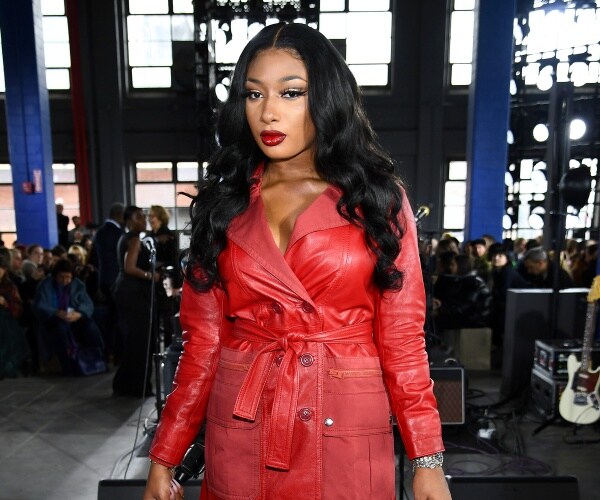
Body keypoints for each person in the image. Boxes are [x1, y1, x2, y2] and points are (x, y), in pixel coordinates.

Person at [144, 23, 450, 500]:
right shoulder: (223, 205)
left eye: (291, 93)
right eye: (253, 94)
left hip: (344, 425)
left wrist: (426, 459)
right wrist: (165, 455)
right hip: (244, 419)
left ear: (326, 97)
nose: (268, 111)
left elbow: (403, 341)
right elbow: (201, 346)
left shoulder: (377, 200)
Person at [112, 205, 160, 397]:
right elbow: (130, 267)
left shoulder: (125, 238)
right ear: (129, 221)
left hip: (126, 292)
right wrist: (151, 275)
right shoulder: (133, 239)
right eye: (139, 217)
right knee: (142, 341)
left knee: (135, 340)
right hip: (134, 293)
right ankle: (137, 386)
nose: (144, 220)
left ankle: (126, 384)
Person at [32, 258, 104, 375]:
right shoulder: (45, 285)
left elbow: (87, 303)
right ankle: (67, 365)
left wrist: (79, 313)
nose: (65, 281)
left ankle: (97, 359)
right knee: (60, 329)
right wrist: (56, 312)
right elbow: (39, 305)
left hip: (73, 317)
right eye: (61, 277)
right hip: (53, 319)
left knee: (90, 326)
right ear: (55, 276)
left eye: (68, 277)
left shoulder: (77, 285)